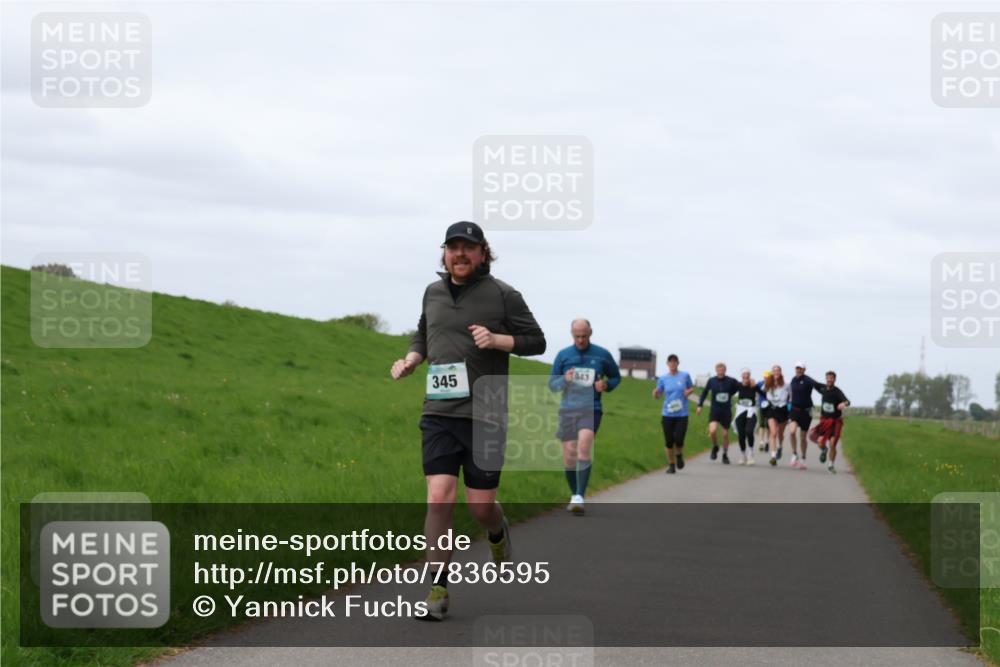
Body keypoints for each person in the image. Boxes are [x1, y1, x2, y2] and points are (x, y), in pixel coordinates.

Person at [390, 221, 546, 621]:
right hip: (439, 412)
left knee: (481, 507)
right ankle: (437, 590)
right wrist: (411, 359)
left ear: (482, 254)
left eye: (468, 248)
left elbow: (537, 341)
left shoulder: (504, 295)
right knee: (439, 497)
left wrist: (498, 341)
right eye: (453, 247)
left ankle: (497, 530)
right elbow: (423, 334)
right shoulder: (433, 292)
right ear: (444, 253)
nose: (460, 254)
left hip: (487, 414)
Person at [549, 318, 621, 515]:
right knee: (569, 455)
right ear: (572, 334)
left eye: (584, 336)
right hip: (568, 409)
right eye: (577, 336)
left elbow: (615, 377)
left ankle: (580, 495)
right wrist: (565, 379)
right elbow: (552, 384)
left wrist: (606, 385)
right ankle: (574, 495)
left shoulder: (602, 355)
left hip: (591, 408)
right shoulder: (563, 355)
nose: (580, 340)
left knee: (583, 447)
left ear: (590, 333)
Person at [653, 354, 695, 474]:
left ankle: (679, 455)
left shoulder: (685, 376)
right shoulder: (663, 378)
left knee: (679, 439)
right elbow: (658, 394)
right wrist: (655, 393)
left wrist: (688, 392)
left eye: (674, 362)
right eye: (670, 362)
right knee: (669, 441)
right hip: (667, 413)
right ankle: (671, 465)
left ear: (678, 363)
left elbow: (691, 388)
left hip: (682, 414)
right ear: (667, 364)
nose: (672, 364)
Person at [696, 363, 742, 464]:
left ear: (725, 370)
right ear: (716, 370)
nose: (720, 371)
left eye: (722, 369)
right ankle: (715, 446)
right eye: (719, 369)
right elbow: (704, 392)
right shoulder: (712, 381)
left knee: (725, 434)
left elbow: (740, 386)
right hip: (715, 410)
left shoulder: (730, 380)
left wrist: (732, 393)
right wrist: (700, 405)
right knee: (712, 431)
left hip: (726, 411)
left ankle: (725, 455)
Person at [809, 371, 851, 473]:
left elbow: (847, 401)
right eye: (827, 378)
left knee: (833, 444)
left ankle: (831, 465)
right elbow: (813, 383)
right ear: (826, 379)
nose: (829, 380)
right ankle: (824, 449)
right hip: (824, 420)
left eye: (831, 378)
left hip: (836, 422)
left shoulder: (837, 391)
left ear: (834, 379)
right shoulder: (822, 388)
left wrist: (844, 404)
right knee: (820, 443)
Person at [787, 362, 824, 469]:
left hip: (806, 412)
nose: (798, 370)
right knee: (792, 431)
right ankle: (794, 454)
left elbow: (817, 386)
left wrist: (828, 390)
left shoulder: (807, 380)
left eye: (800, 368)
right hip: (794, 410)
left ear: (804, 370)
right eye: (797, 368)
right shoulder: (793, 379)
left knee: (803, 438)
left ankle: (803, 458)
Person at [762, 365, 791, 467]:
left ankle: (780, 447)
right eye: (774, 371)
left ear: (780, 372)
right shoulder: (767, 383)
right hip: (771, 409)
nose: (776, 373)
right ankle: (773, 456)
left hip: (782, 409)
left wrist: (790, 406)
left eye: (778, 371)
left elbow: (791, 396)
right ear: (772, 372)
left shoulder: (786, 384)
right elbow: (760, 392)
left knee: (780, 433)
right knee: (773, 433)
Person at [733, 368, 758, 465]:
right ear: (742, 376)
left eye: (747, 374)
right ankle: (743, 454)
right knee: (741, 434)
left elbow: (763, 393)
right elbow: (730, 391)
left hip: (751, 412)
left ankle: (751, 452)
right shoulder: (739, 385)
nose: (746, 376)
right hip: (740, 412)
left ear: (749, 376)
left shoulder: (754, 386)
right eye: (744, 374)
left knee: (749, 431)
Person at [756, 370, 771, 451]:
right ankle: (761, 442)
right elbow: (756, 392)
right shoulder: (760, 383)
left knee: (768, 425)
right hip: (761, 406)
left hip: (770, 406)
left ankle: (767, 441)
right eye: (765, 377)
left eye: (767, 377)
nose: (766, 378)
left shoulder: (772, 384)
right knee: (761, 424)